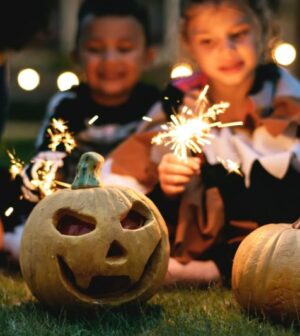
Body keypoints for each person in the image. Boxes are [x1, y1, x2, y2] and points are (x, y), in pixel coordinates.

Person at [103, 0, 300, 287]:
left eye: (238, 35)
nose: (227, 50)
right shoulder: (180, 101)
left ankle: (216, 269)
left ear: (264, 31)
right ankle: (205, 263)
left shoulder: (286, 97)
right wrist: (168, 177)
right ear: (190, 45)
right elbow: (140, 160)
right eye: (208, 41)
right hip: (205, 221)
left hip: (273, 216)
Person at [1, 0, 162, 259]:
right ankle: (19, 239)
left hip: (131, 212)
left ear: (148, 56)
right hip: (72, 208)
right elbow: (46, 166)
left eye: (124, 49)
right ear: (77, 56)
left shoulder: (155, 106)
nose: (110, 61)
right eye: (96, 49)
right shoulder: (69, 105)